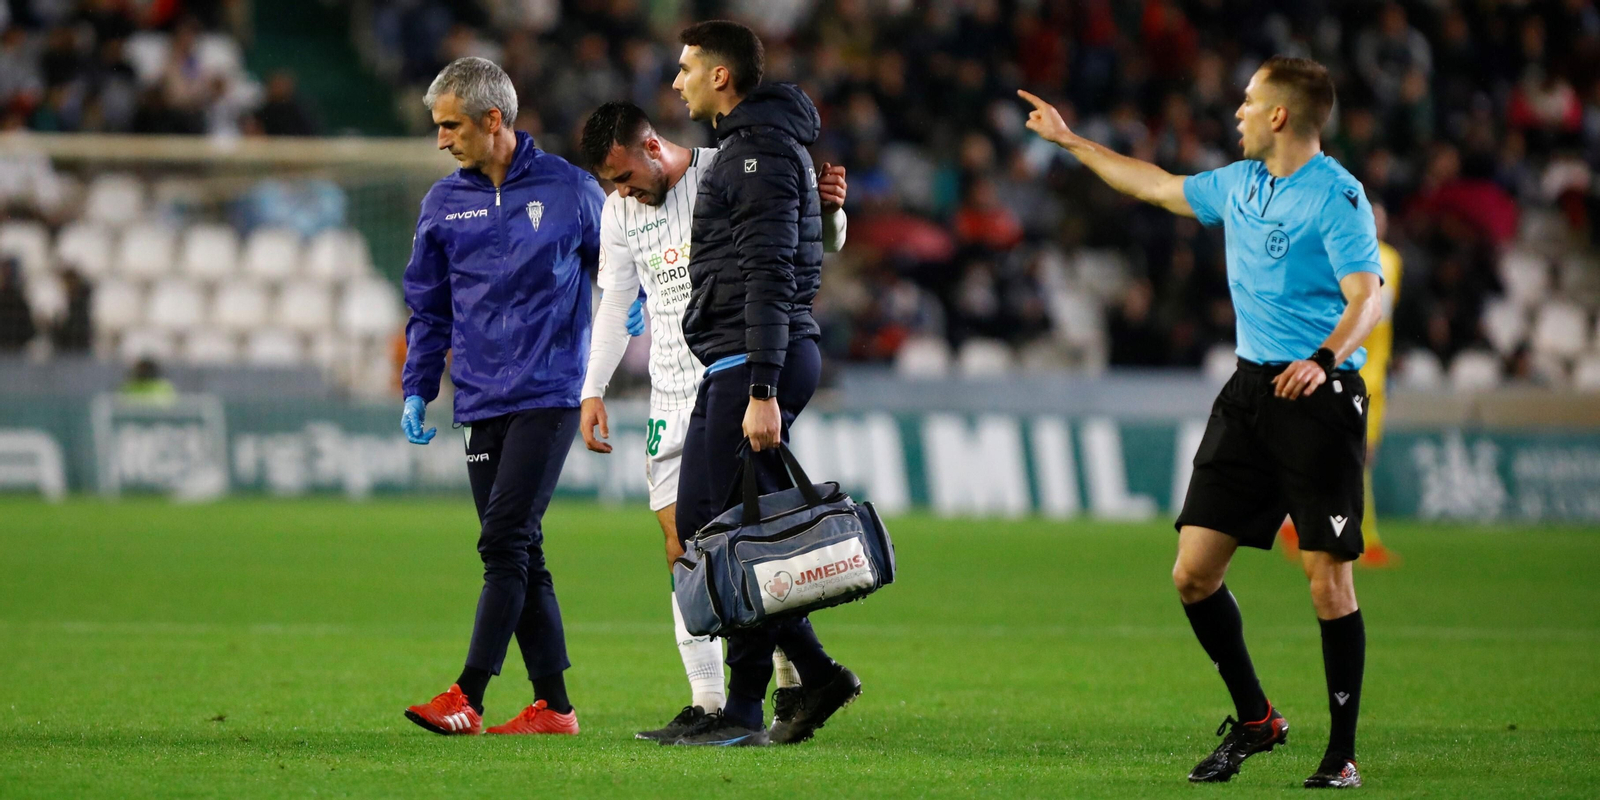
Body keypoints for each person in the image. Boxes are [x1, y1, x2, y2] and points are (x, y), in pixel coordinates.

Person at [1022, 56, 1381, 789]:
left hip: (1319, 396)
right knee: (1192, 575)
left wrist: (1323, 357)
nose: (1239, 111)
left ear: (1280, 115)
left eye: (1249, 101)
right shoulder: (1238, 184)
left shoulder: (1338, 198)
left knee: (1326, 586)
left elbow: (1366, 295)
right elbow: (1152, 184)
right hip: (1250, 392)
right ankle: (1257, 720)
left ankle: (1341, 756)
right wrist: (1071, 142)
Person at [575, 100, 849, 742]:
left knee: (735, 542)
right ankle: (718, 698)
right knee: (688, 548)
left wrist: (831, 213)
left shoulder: (730, 172)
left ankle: (778, 690)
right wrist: (593, 390)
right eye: (609, 183)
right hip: (672, 392)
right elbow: (614, 301)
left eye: (623, 176)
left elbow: (806, 248)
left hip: (736, 378)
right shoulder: (620, 212)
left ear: (651, 147)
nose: (619, 193)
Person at [661, 20, 859, 747]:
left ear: (721, 77)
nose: (675, 80)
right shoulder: (757, 150)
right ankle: (807, 676)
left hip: (754, 364)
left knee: (720, 534)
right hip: (740, 360)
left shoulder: (758, 156)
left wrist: (764, 388)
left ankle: (756, 705)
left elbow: (773, 273)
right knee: (722, 532)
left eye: (686, 68)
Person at [397, 57, 605, 738]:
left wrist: (632, 312)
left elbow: (620, 265)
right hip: (480, 398)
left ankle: (469, 695)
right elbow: (428, 308)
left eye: (450, 125)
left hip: (548, 393)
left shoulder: (572, 191)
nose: (440, 139)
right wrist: (419, 387)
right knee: (522, 551)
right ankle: (554, 707)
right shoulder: (443, 203)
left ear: (494, 121)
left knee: (505, 541)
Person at [1280, 202, 1402, 568]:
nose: (1375, 222)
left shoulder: (1387, 258)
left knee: (1355, 457)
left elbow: (1376, 313)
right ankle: (1360, 537)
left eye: (1380, 216)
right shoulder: (1345, 255)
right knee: (1352, 456)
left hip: (1374, 375)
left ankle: (1300, 522)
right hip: (1348, 371)